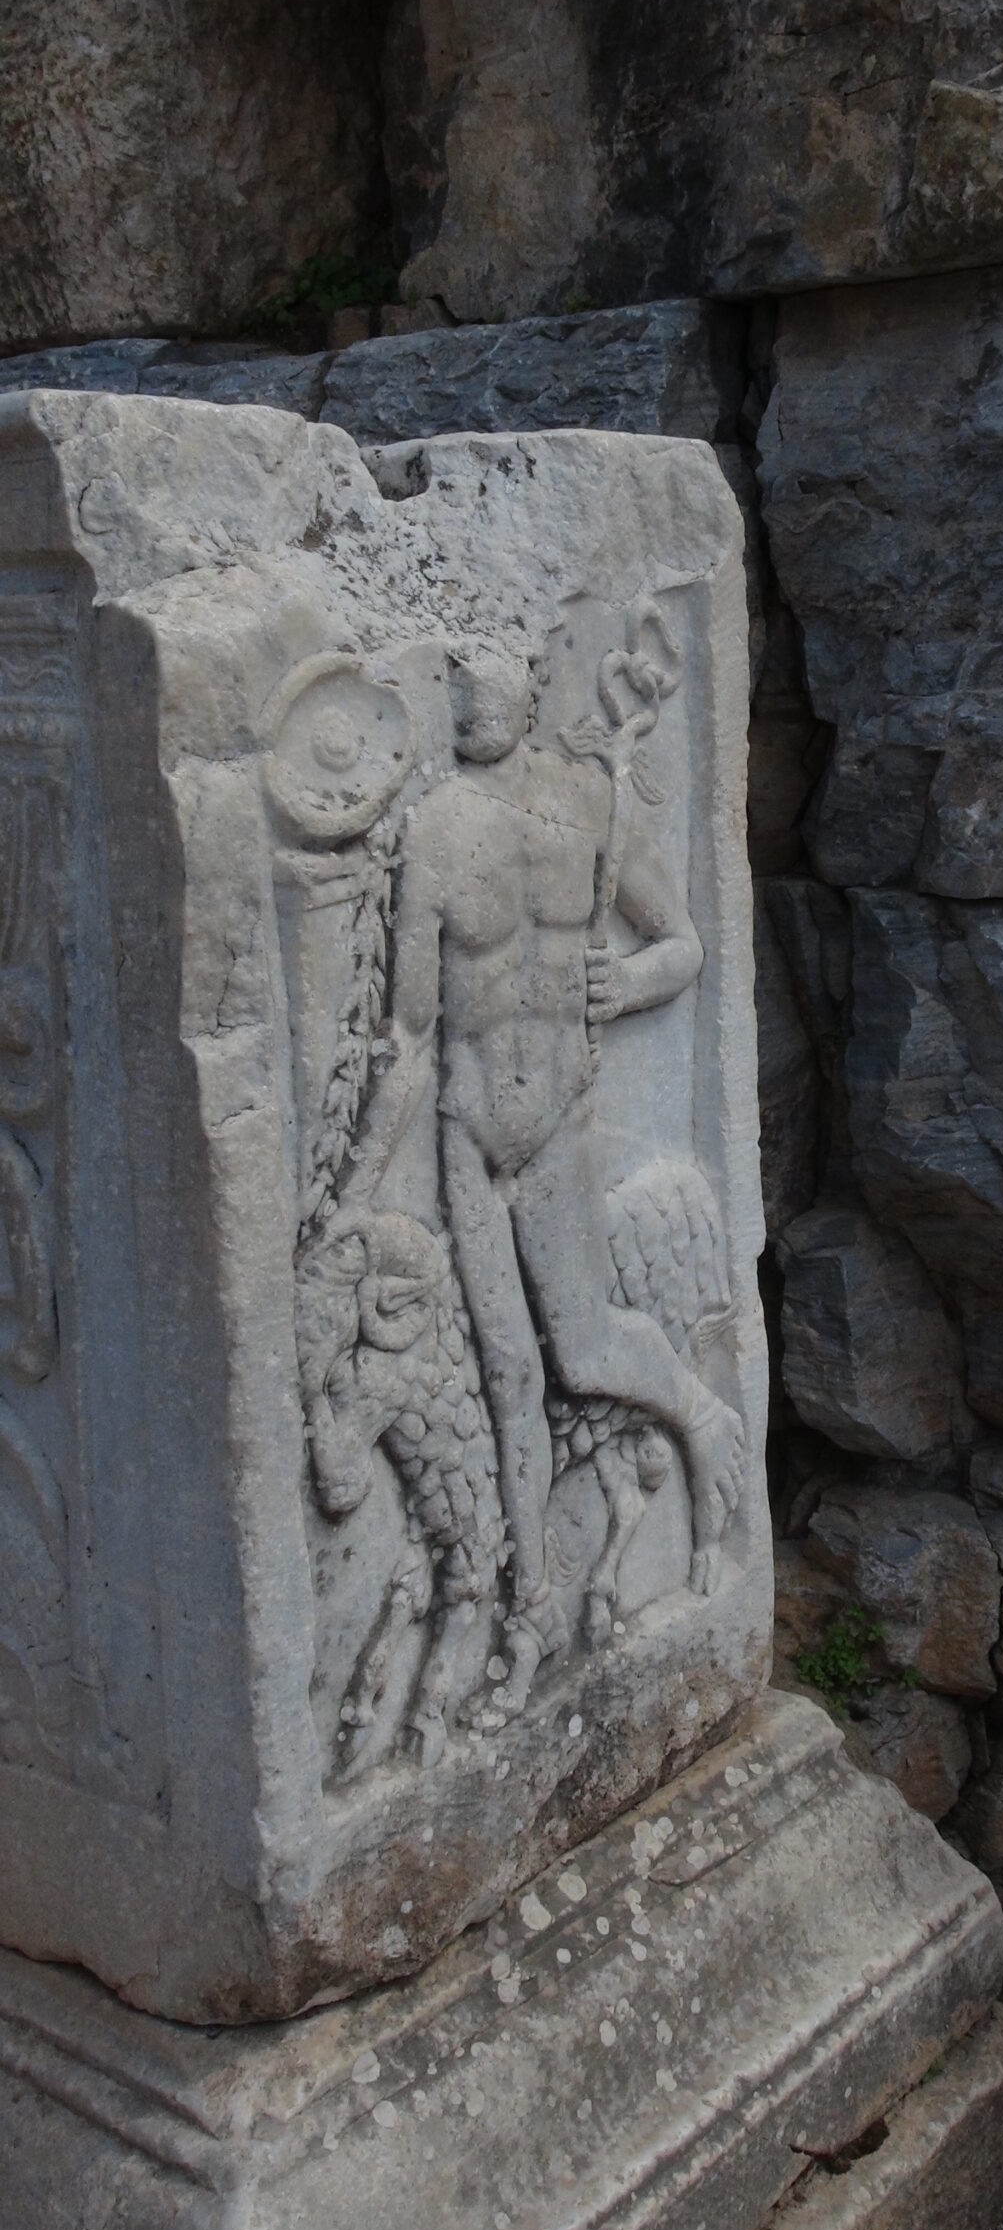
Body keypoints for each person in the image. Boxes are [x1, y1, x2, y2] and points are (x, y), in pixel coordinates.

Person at [343, 632, 743, 1710]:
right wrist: (355, 1189)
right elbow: (409, 1036)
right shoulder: (435, 828)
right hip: (471, 1131)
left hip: (559, 1117)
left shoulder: (590, 807)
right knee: (508, 1377)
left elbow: (682, 944)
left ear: (528, 692)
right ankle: (530, 1610)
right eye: (460, 687)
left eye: (492, 681)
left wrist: (630, 984)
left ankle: (700, 1419)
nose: (473, 697)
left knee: (585, 1345)